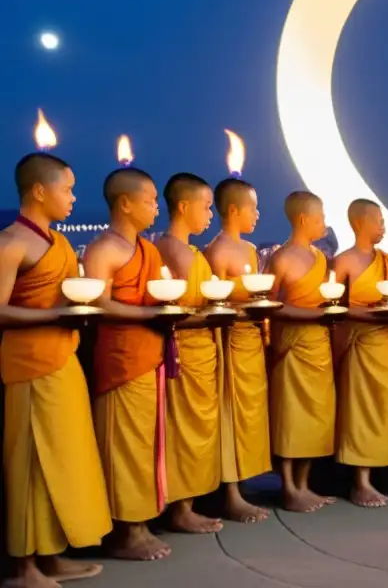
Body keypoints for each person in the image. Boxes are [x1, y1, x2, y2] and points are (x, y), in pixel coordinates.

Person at [1, 152, 111, 586]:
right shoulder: (12, 242)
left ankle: (51, 553)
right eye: (67, 189)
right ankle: (24, 566)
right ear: (39, 190)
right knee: (28, 464)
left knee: (63, 459)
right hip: (28, 365)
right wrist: (55, 317)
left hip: (63, 358)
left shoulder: (58, 241)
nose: (73, 197)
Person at [84, 168, 170, 560]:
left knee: (145, 444)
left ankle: (141, 522)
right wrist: (148, 317)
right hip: (121, 358)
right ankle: (124, 531)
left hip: (149, 353)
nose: (156, 207)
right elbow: (98, 302)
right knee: (122, 444)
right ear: (125, 203)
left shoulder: (148, 249)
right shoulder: (104, 248)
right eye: (150, 199)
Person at [155, 173, 223, 534]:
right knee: (182, 430)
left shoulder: (192, 250)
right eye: (206, 207)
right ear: (183, 206)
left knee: (199, 428)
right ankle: (179, 507)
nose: (210, 215)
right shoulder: (175, 251)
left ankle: (191, 501)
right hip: (184, 351)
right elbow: (175, 313)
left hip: (203, 349)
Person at [333, 199, 388, 507]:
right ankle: (360, 481)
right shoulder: (343, 262)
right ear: (360, 223)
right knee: (359, 411)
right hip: (359, 343)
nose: (383, 226)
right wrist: (367, 314)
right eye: (378, 220)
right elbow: (334, 306)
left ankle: (384, 473)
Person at [205, 177, 272, 523]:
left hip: (249, 339)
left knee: (249, 416)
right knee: (230, 413)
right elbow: (212, 301)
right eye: (253, 207)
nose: (258, 214)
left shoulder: (248, 250)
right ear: (233, 210)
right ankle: (228, 493)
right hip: (228, 339)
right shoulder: (217, 250)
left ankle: (242, 483)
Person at [267, 191, 336, 513]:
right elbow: (269, 305)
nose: (324, 223)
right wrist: (317, 315)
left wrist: (327, 312)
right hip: (292, 347)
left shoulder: (320, 258)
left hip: (318, 344)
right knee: (291, 417)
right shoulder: (281, 258)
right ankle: (289, 487)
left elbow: (323, 299)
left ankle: (305, 484)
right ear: (303, 219)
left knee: (316, 417)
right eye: (320, 217)